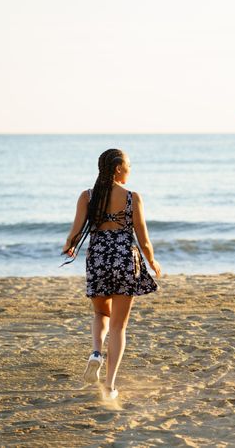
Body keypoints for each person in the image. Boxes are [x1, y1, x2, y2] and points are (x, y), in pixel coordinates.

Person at [62, 148, 161, 399]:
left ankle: (96, 352)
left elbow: (74, 232)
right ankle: (110, 385)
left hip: (97, 258)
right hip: (124, 259)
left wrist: (70, 247)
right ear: (118, 168)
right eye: (128, 165)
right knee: (118, 327)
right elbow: (144, 239)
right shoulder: (132, 197)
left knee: (100, 313)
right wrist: (152, 261)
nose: (130, 169)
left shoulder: (87, 196)